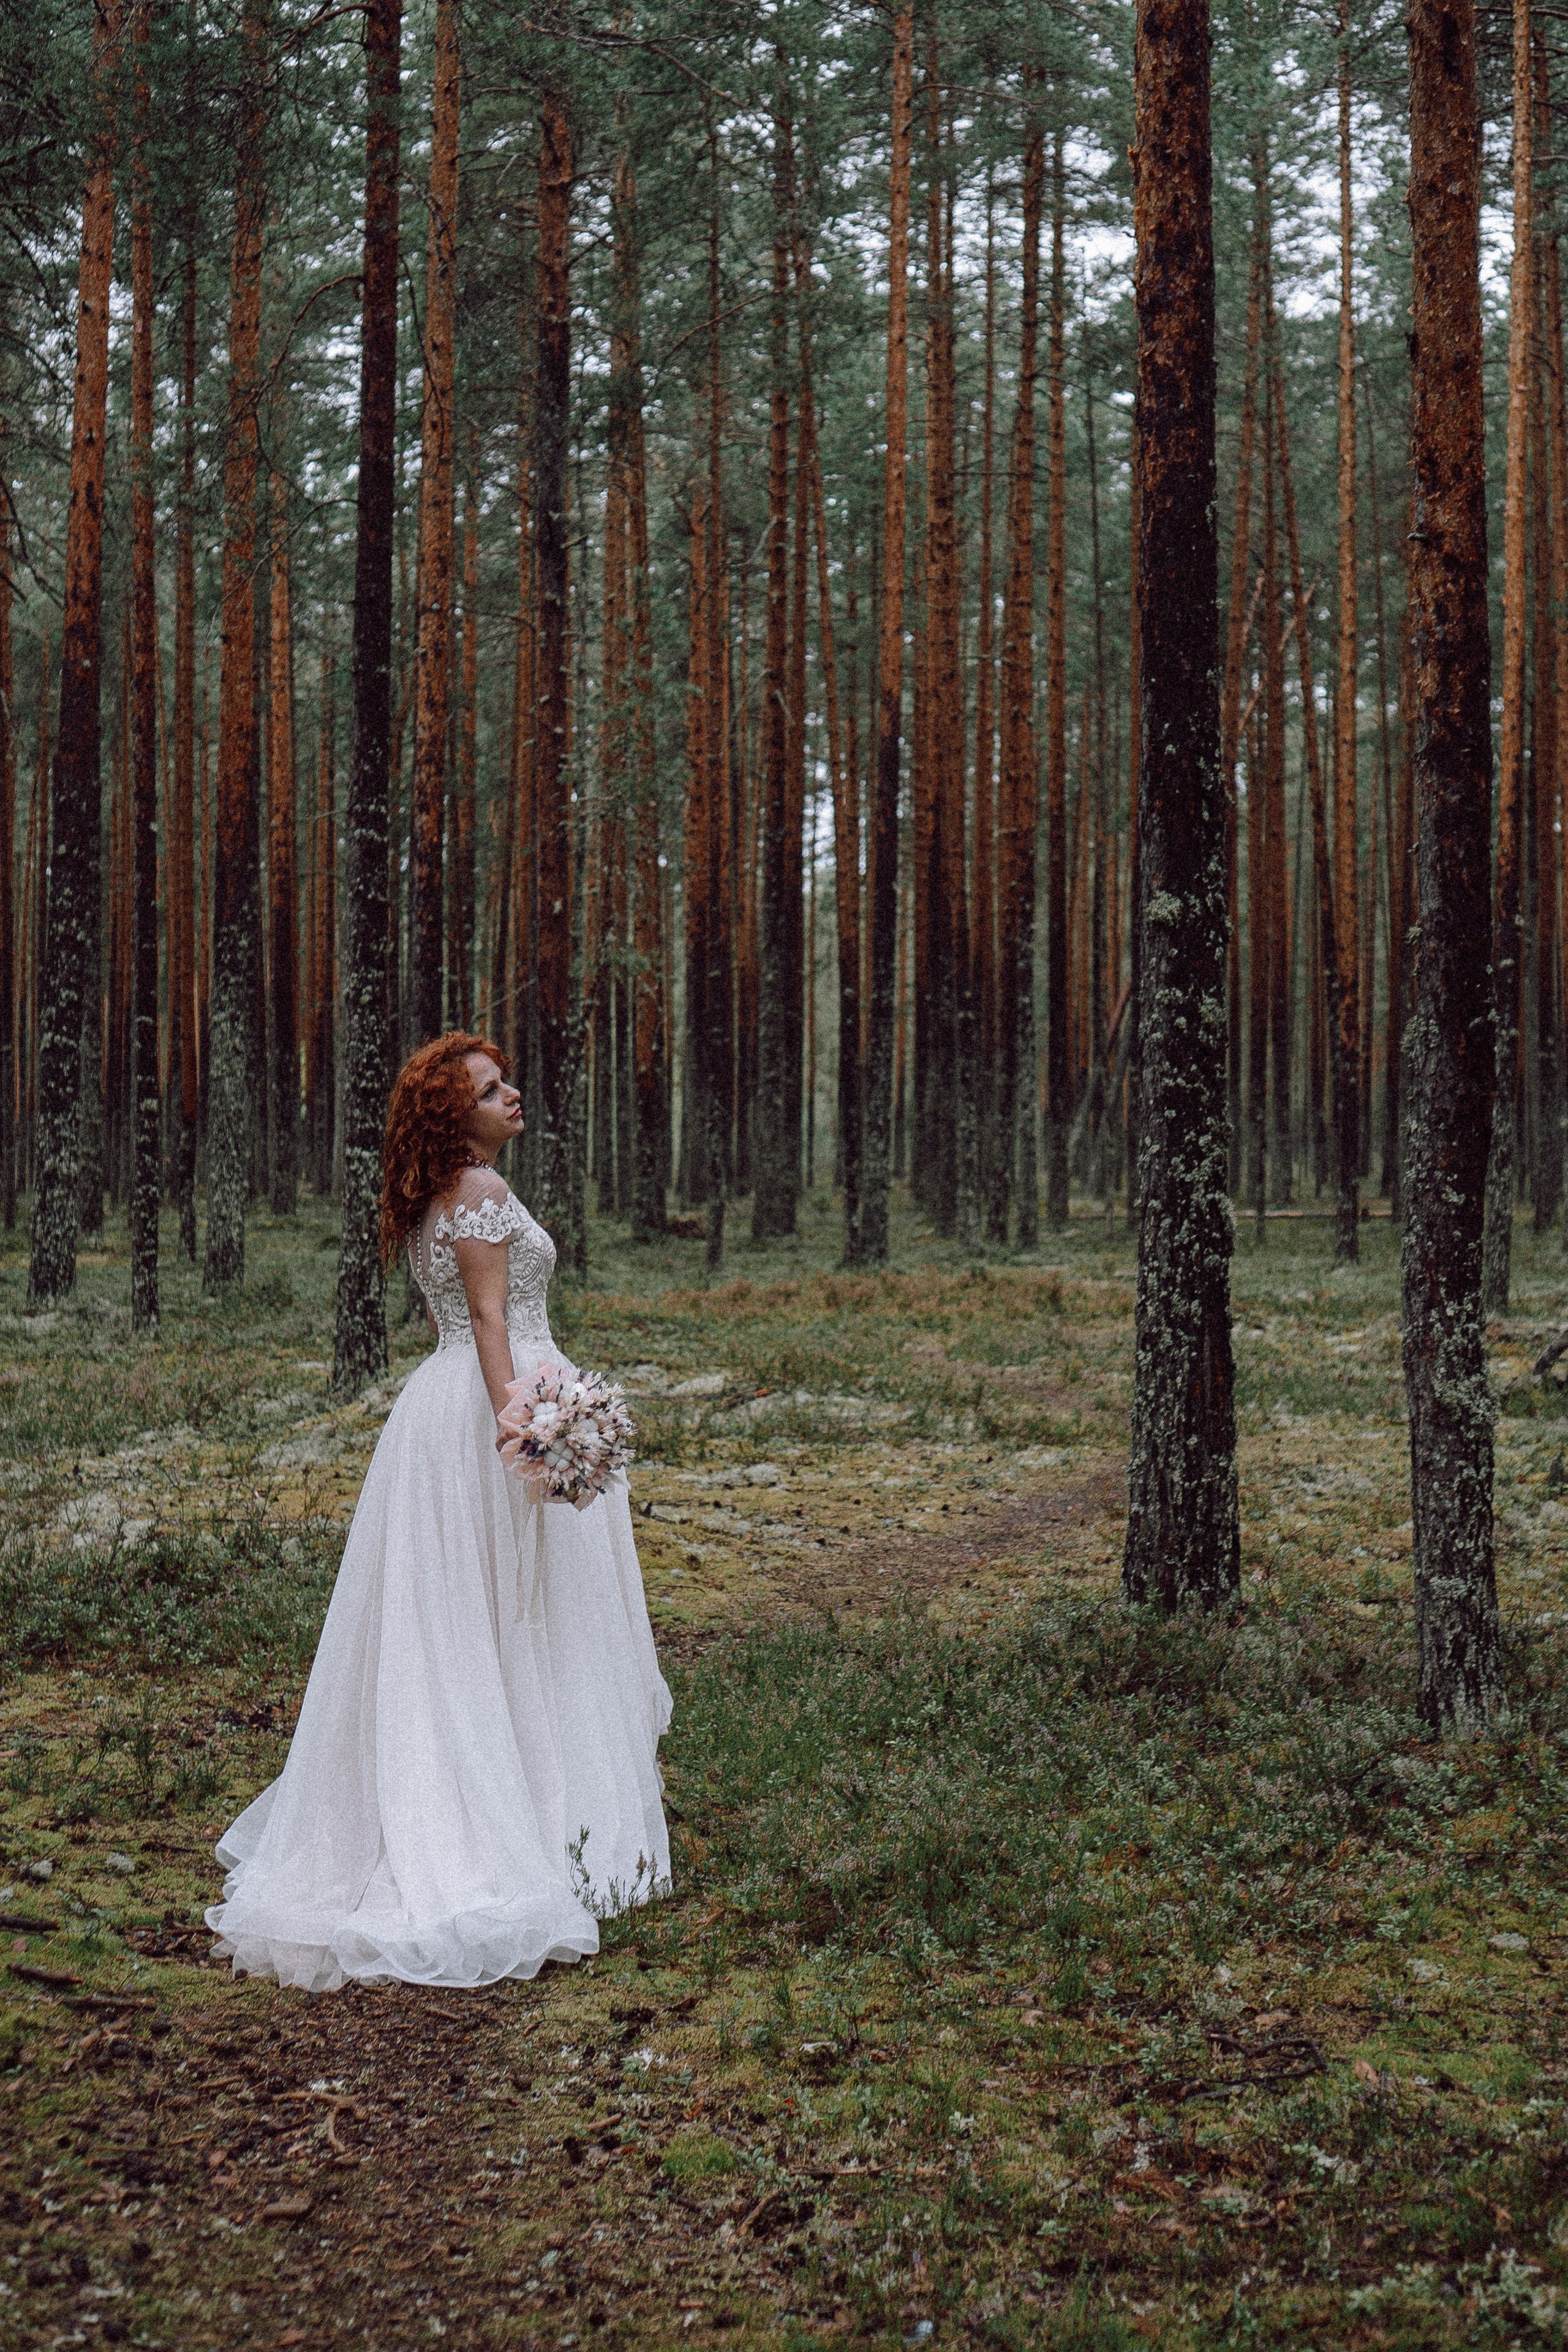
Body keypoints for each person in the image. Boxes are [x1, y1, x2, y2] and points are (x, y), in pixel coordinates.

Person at [206, 1033, 671, 1991]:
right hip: (491, 1405)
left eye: (507, 1081)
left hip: (440, 1410)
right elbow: (494, 1321)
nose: (513, 1096)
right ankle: (530, 1822)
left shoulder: (434, 1200)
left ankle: (502, 1797)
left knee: (469, 1620)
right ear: (453, 1115)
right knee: (513, 1614)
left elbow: (458, 1321)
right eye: (493, 1090)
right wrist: (527, 1425)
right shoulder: (483, 1196)